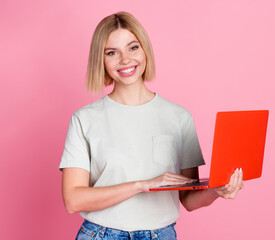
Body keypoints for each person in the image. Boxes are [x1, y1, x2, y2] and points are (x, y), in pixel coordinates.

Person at [59, 11, 244, 240]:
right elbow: (73, 200)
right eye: (112, 52)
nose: (125, 60)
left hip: (161, 234)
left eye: (133, 47)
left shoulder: (179, 117)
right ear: (101, 59)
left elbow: (188, 199)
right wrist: (142, 185)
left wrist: (217, 191)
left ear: (145, 49)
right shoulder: (84, 119)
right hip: (101, 234)